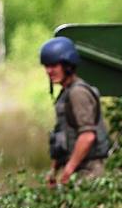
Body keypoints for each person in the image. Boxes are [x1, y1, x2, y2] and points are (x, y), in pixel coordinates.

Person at [40, 37, 111, 185]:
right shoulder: (66, 93)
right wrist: (54, 170)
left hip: (88, 170)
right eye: (46, 66)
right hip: (77, 168)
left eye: (53, 65)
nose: (48, 71)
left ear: (67, 65)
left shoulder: (78, 93)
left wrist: (68, 170)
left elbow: (87, 136)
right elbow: (63, 136)